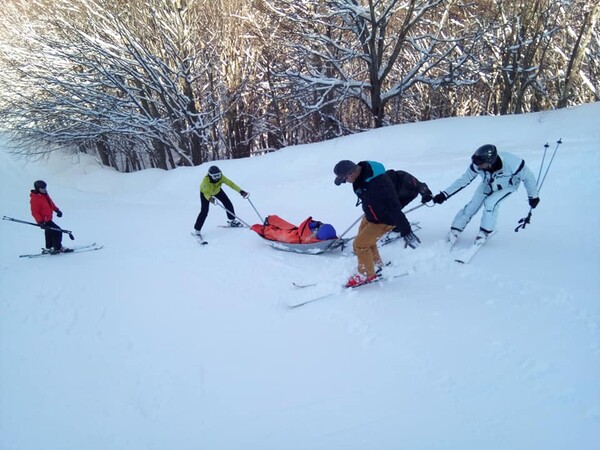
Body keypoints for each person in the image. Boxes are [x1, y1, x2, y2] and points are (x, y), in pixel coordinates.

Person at [334, 159, 421, 287]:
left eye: (345, 180)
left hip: (383, 220)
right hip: (371, 215)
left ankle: (366, 274)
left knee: (360, 245)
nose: (346, 182)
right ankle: (375, 265)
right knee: (365, 242)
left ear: (351, 174)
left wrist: (406, 230)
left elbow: (394, 208)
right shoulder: (363, 174)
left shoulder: (378, 184)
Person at [432, 144, 540, 244]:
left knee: (490, 203)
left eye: (480, 165)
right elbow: (464, 180)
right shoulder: (477, 164)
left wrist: (533, 196)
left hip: (508, 186)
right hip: (488, 183)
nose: (477, 167)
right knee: (472, 205)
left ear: (490, 161)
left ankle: (484, 232)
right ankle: (456, 229)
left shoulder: (513, 163)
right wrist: (445, 194)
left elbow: (528, 178)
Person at [193, 165, 249, 238]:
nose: (217, 178)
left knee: (228, 203)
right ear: (210, 176)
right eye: (214, 176)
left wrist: (240, 191)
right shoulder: (205, 182)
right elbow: (206, 193)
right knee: (204, 211)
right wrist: (210, 198)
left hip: (217, 190)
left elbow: (230, 184)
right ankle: (197, 230)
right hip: (205, 193)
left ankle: (232, 221)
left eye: (218, 175)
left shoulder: (221, 178)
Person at [29, 180, 72, 254]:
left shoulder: (45, 195)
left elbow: (50, 203)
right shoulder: (35, 199)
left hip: (48, 218)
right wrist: (40, 222)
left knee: (49, 232)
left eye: (45, 188)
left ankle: (49, 247)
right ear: (37, 188)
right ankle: (57, 247)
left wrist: (57, 210)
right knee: (57, 231)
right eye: (42, 188)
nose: (44, 190)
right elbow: (35, 212)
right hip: (44, 220)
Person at [385, 169, 433, 235]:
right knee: (386, 209)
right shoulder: (384, 179)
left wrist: (426, 194)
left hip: (409, 194)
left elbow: (420, 185)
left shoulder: (406, 178)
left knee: (396, 209)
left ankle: (400, 226)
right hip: (396, 193)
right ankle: (389, 223)